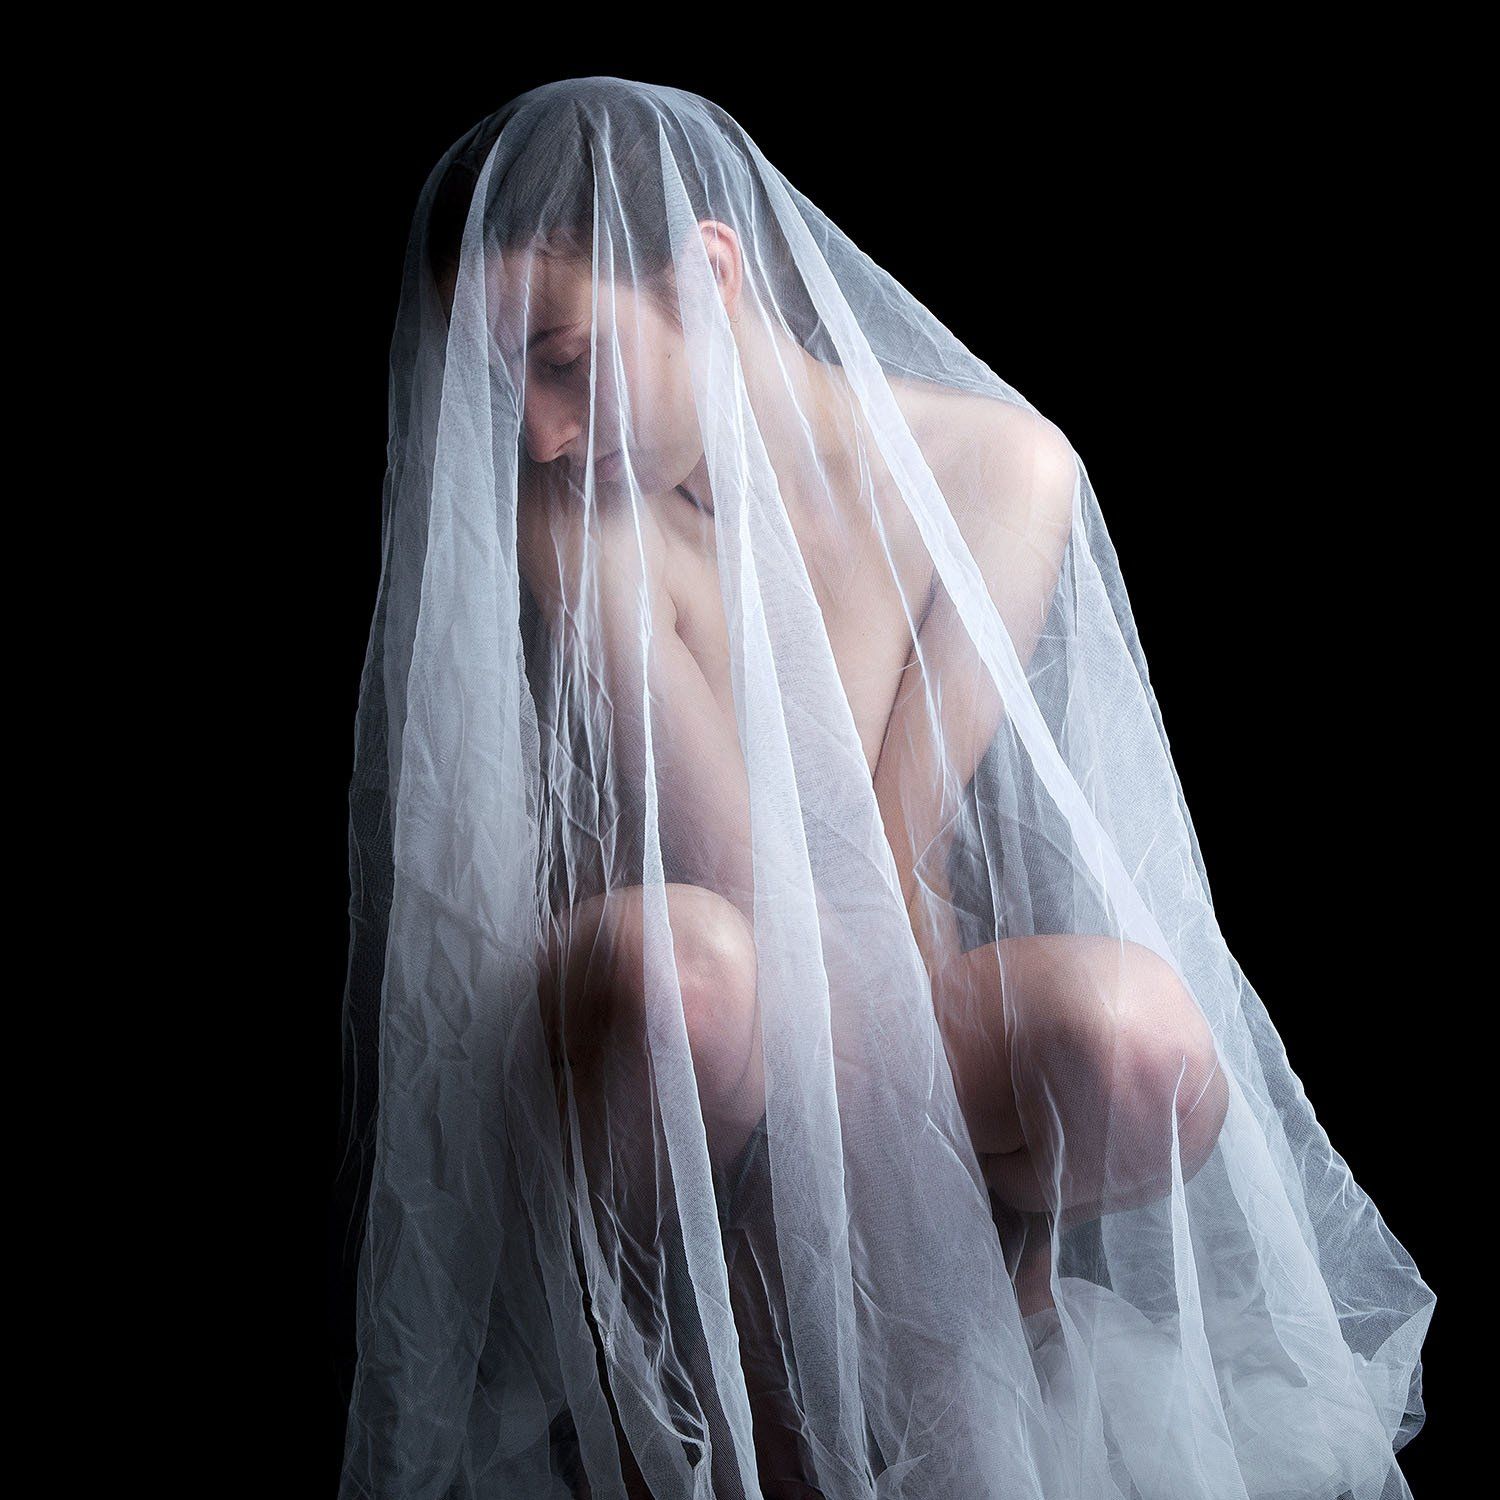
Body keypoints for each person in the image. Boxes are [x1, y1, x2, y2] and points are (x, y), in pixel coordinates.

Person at [338, 77, 1433, 1499]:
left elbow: (895, 852)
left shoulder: (1003, 471)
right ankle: (690, 1357)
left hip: (896, 976)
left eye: (561, 360)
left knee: (1138, 1046)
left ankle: (960, 1312)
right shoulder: (581, 517)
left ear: (710, 274)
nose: (537, 434)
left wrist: (937, 1313)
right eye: (506, 385)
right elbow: (746, 877)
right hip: (671, 1045)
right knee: (691, 971)